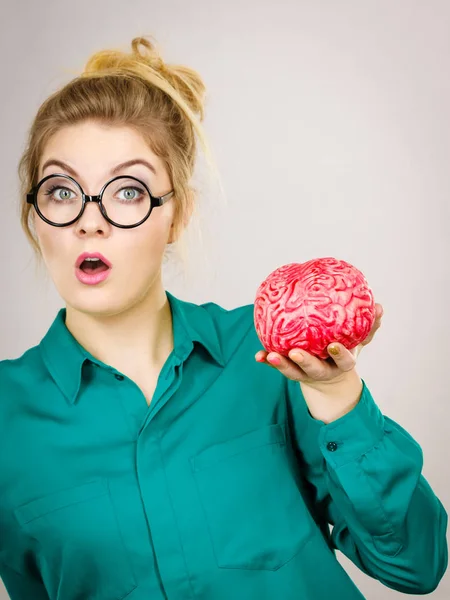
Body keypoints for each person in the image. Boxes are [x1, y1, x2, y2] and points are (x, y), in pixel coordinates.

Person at [0, 36, 447, 600]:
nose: (91, 221)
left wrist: (338, 396)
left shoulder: (268, 360)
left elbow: (416, 566)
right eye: (62, 191)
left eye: (129, 191)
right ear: (34, 217)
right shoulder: (5, 418)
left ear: (177, 216)